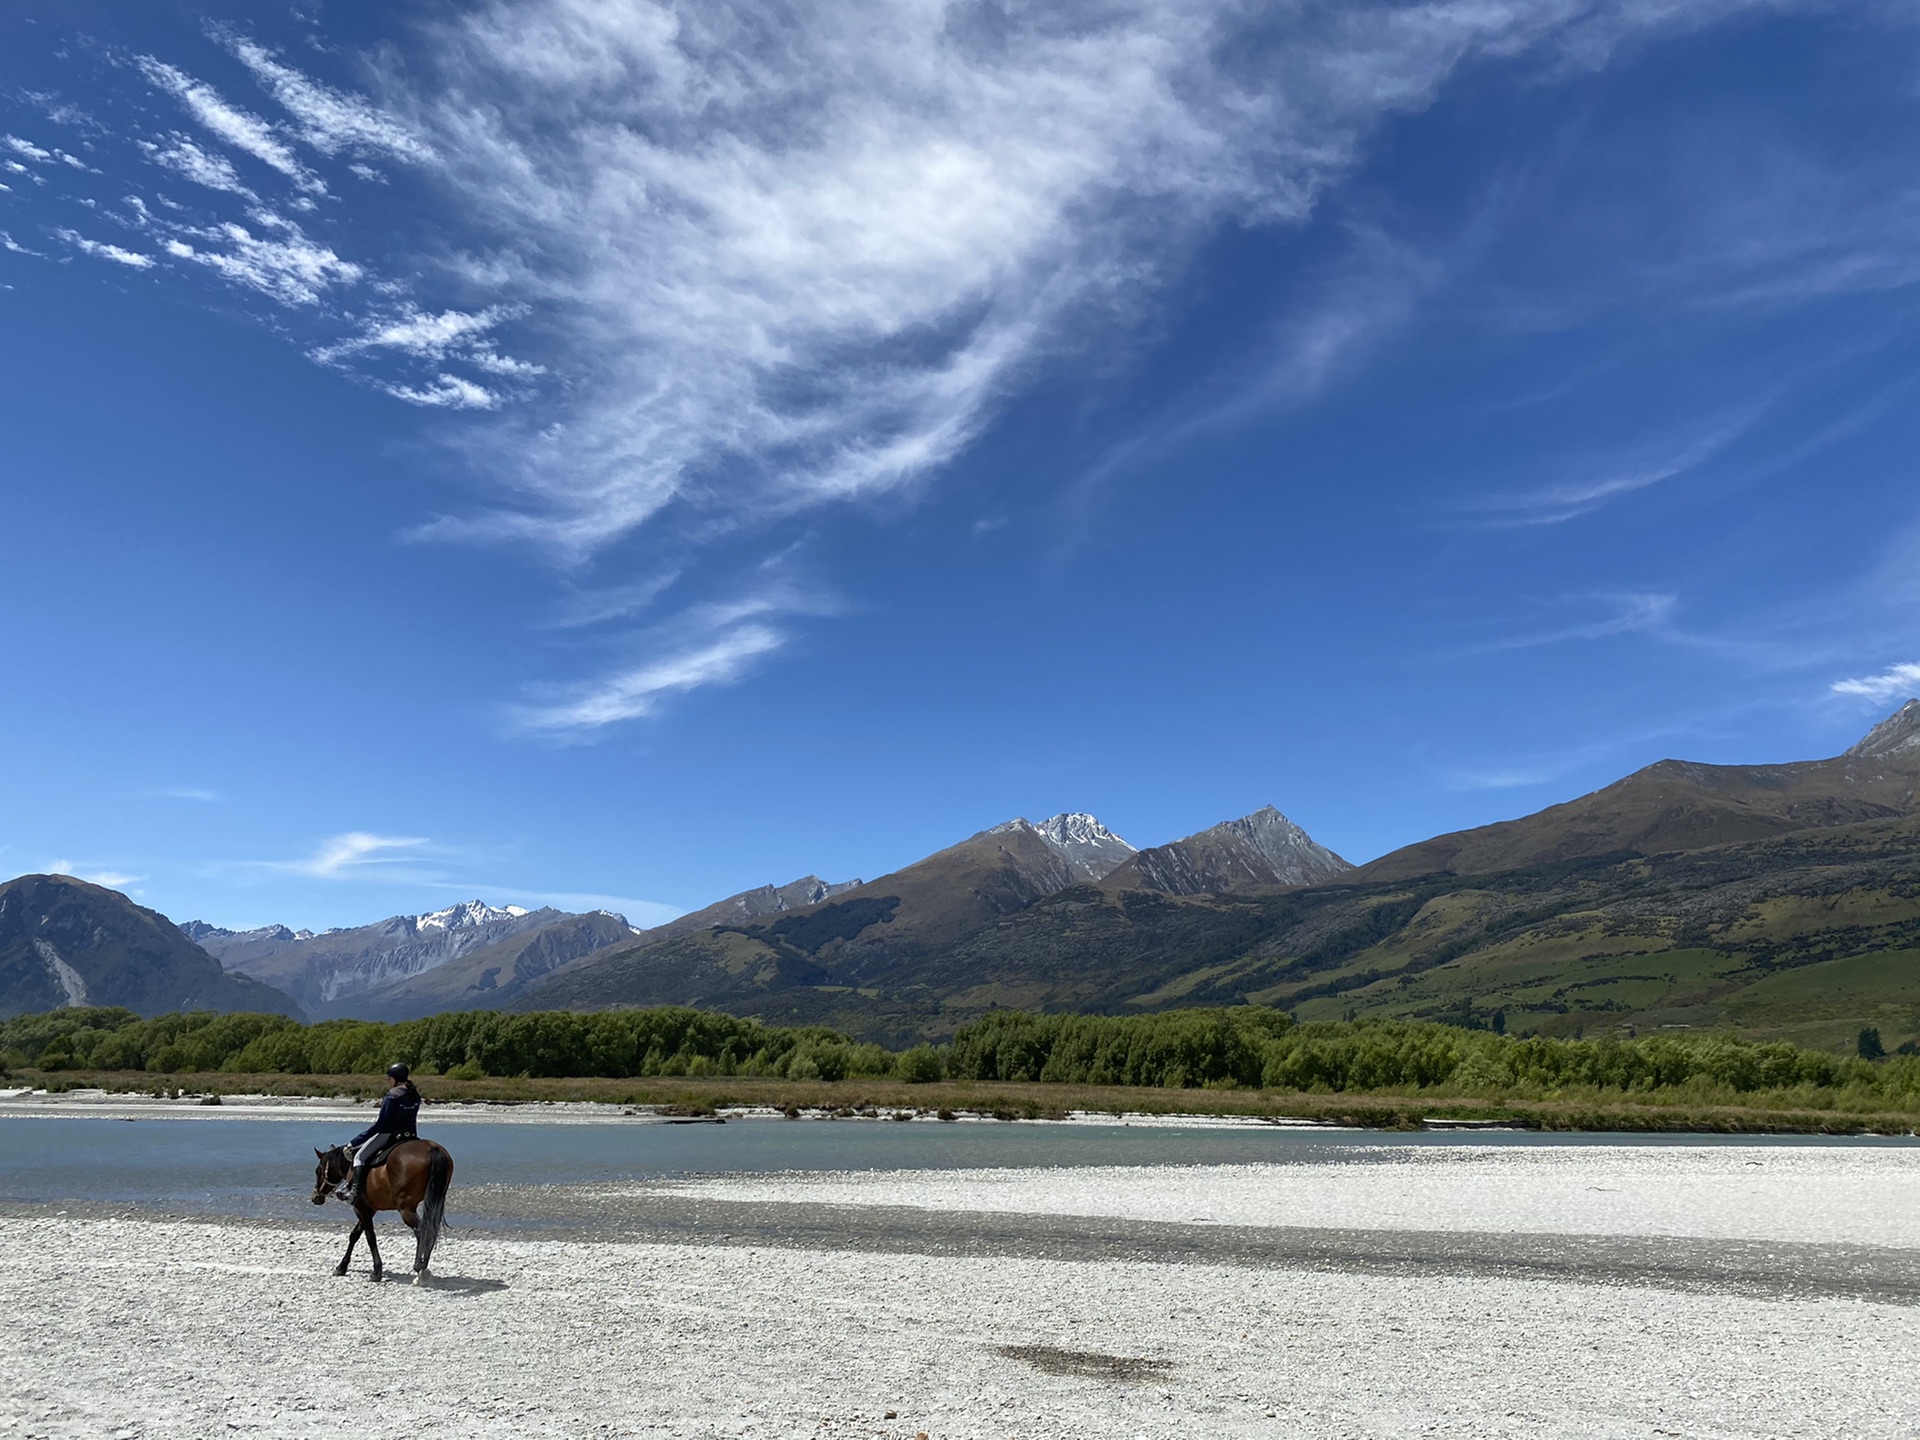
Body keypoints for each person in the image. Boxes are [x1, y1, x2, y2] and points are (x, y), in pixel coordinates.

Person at [345, 1063, 421, 1206]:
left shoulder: (392, 1096)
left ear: (395, 1079)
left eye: (389, 1078)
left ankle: (355, 1193)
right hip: (410, 1135)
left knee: (359, 1157)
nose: (388, 1081)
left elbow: (381, 1124)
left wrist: (355, 1142)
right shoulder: (415, 1095)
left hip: (389, 1134)